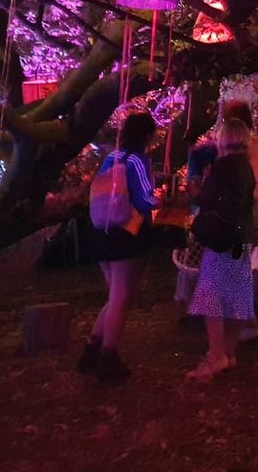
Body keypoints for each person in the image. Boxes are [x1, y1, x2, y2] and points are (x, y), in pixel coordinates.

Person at [78, 111, 159, 384]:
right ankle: (108, 357)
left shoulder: (111, 158)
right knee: (120, 299)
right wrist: (163, 199)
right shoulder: (138, 160)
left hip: (101, 232)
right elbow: (145, 199)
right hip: (126, 236)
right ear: (147, 135)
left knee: (114, 296)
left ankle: (92, 349)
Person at [185, 100, 258, 341]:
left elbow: (213, 198)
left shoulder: (226, 165)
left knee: (213, 288)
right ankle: (238, 333)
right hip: (243, 222)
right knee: (238, 274)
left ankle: (219, 350)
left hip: (226, 229)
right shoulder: (245, 158)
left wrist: (197, 194)